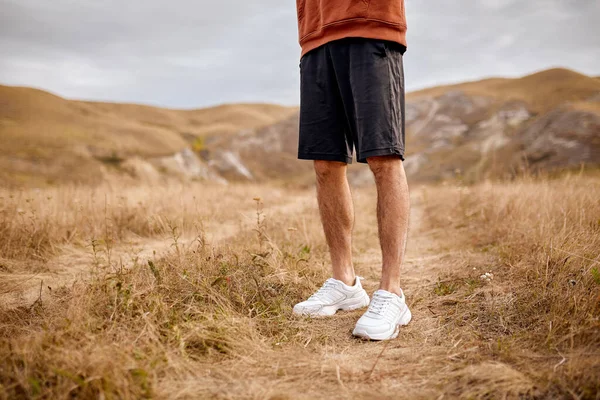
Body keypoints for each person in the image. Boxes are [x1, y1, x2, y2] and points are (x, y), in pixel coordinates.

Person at [292, 1, 411, 341]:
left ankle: (392, 292)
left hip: (370, 24)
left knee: (384, 157)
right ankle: (345, 283)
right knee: (325, 163)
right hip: (315, 37)